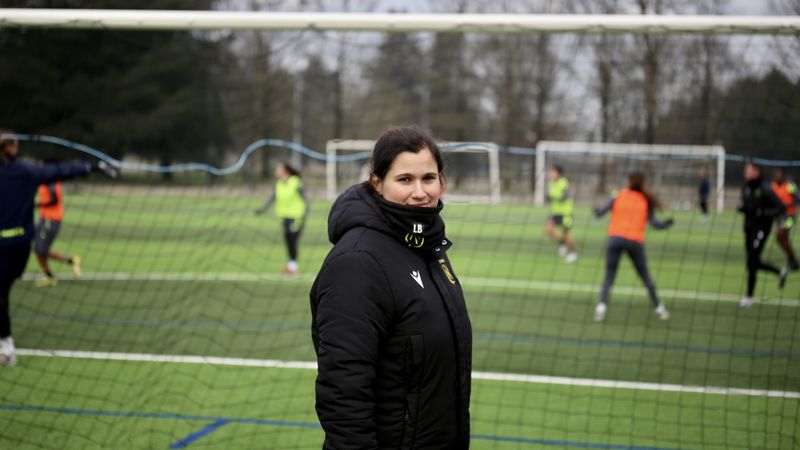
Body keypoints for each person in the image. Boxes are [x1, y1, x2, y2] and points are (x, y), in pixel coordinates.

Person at [310, 125, 472, 449]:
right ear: (377, 183)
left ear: (442, 181)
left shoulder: (427, 245)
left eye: (428, 178)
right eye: (405, 179)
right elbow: (344, 396)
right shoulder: (357, 262)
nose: (420, 192)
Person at [0, 130, 117, 366]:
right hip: (19, 248)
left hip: (8, 247)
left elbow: (58, 173)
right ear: (11, 147)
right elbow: (62, 171)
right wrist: (93, 166)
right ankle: (5, 344)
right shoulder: (27, 171)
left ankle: (6, 346)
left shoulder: (25, 171)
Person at [592, 172, 674, 322]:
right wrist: (666, 224)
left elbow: (600, 213)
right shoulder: (645, 199)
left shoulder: (619, 195)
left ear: (629, 181)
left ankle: (601, 308)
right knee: (645, 276)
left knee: (609, 276)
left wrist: (595, 210)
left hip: (615, 239)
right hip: (634, 241)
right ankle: (660, 309)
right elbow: (654, 223)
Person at [738, 162, 788, 308]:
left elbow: (781, 208)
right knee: (752, 262)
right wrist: (743, 209)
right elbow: (750, 207)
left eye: (748, 169)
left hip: (761, 230)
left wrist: (764, 213)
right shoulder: (746, 187)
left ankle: (748, 297)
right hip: (748, 229)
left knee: (752, 261)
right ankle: (780, 272)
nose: (745, 171)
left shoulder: (766, 189)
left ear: (757, 171)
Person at [255, 162, 309, 275]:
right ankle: (291, 265)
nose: (276, 171)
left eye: (278, 169)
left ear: (285, 171)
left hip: (297, 217)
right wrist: (262, 209)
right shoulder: (279, 184)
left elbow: (305, 199)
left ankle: (293, 267)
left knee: (293, 240)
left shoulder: (295, 182)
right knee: (288, 239)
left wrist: (305, 212)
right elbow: (272, 198)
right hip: (285, 217)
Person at [33, 165, 82, 286]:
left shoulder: (49, 180)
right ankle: (71, 262)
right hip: (45, 220)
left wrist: (37, 204)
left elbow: (54, 199)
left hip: (50, 220)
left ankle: (51, 276)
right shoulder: (47, 179)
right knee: (40, 250)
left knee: (40, 250)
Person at [544, 165, 578, 263]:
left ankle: (573, 253)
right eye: (550, 172)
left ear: (559, 173)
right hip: (555, 213)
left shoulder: (564, 183)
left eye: (553, 172)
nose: (551, 174)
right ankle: (562, 243)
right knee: (548, 230)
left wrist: (552, 198)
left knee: (566, 234)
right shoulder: (551, 183)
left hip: (566, 213)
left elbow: (564, 197)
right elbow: (550, 197)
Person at [772, 167, 799, 271]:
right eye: (776, 174)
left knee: (780, 235)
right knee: (782, 240)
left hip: (789, 216)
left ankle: (792, 259)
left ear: (783, 175)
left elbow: (797, 198)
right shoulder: (773, 186)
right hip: (779, 216)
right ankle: (792, 260)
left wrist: (788, 205)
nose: (777, 176)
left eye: (779, 174)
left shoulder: (789, 185)